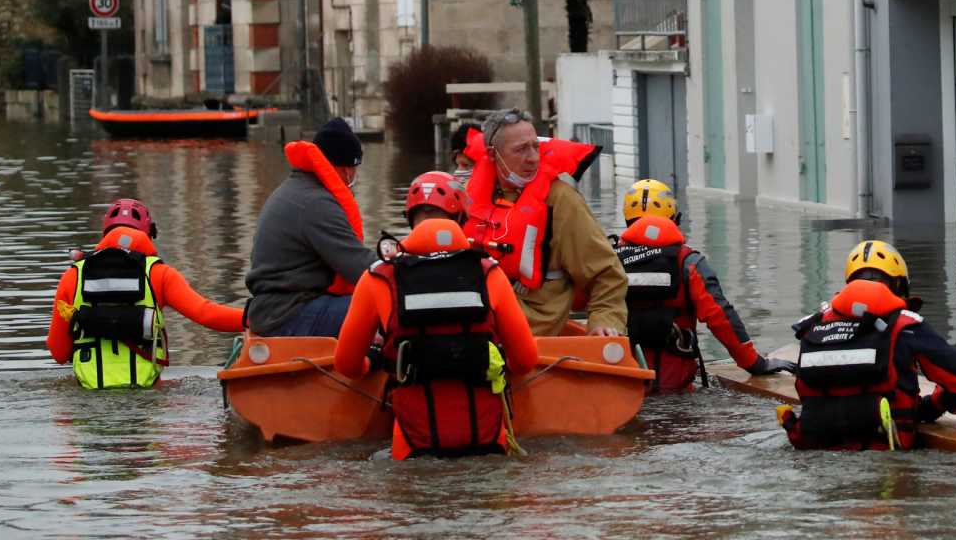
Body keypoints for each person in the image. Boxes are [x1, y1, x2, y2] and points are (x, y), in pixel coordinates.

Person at [335, 172, 538, 460]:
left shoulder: (379, 277)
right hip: (487, 443)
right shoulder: (488, 271)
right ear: (461, 219)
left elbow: (346, 365)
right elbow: (526, 360)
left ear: (410, 218)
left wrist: (376, 361)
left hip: (412, 447)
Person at [779, 240, 956, 451]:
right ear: (899, 286)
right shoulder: (906, 325)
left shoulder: (812, 326)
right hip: (885, 448)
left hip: (815, 450)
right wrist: (931, 407)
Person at [614, 179, 796, 393]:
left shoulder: (608, 261)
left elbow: (579, 302)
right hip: (676, 387)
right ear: (674, 218)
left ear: (627, 219)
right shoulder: (688, 263)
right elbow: (721, 318)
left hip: (619, 384)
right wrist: (755, 364)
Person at [464, 108, 628, 337]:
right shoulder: (468, 197)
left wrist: (604, 321)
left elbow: (607, 276)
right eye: (521, 150)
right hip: (478, 325)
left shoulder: (561, 201)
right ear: (493, 155)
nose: (532, 158)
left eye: (535, 147)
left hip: (534, 332)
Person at [47, 198, 244, 389]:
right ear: (149, 233)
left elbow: (58, 352)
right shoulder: (160, 274)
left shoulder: (74, 275)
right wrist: (257, 317)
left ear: (105, 233)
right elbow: (206, 314)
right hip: (146, 396)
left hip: (88, 401)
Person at [245, 117, 378, 337]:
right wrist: (402, 273)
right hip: (288, 315)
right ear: (346, 169)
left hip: (274, 310)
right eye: (355, 167)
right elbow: (359, 267)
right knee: (384, 308)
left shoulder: (297, 190)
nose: (355, 175)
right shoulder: (316, 203)